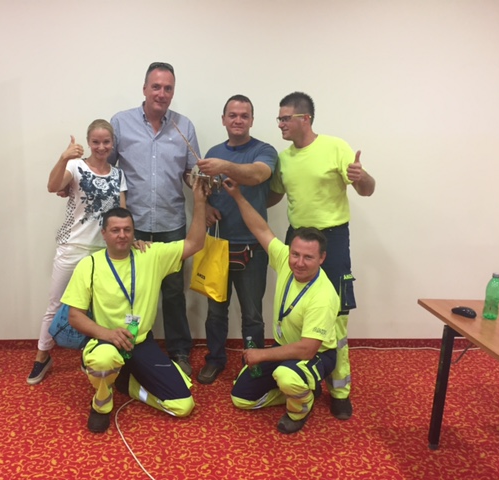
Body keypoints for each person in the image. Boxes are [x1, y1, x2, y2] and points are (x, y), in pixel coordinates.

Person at [61, 180, 209, 433]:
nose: (122, 235)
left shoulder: (150, 255)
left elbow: (195, 244)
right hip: (106, 341)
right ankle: (102, 401)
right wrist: (108, 334)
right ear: (104, 233)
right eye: (115, 230)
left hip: (140, 343)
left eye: (127, 230)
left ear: (133, 232)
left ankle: (124, 383)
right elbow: (75, 316)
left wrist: (200, 200)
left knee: (183, 405)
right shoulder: (90, 264)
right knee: (103, 360)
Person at [268, 92, 376, 420]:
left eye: (285, 118)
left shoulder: (336, 147)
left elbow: (367, 189)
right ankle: (303, 377)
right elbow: (273, 196)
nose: (280, 124)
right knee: (295, 312)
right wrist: (235, 201)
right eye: (279, 118)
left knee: (337, 316)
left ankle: (340, 391)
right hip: (297, 239)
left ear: (306, 119)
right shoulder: (284, 159)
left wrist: (361, 178)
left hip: (333, 241)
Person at [224, 179, 339, 434]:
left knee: (288, 377)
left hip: (316, 355)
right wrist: (238, 196)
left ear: (322, 258)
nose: (299, 262)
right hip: (285, 347)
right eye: (295, 254)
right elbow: (260, 229)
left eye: (308, 257)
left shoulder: (323, 296)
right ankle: (296, 391)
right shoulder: (286, 259)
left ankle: (300, 406)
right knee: (240, 398)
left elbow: (307, 348)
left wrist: (262, 355)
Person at [108, 62, 201, 376]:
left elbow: (190, 173)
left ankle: (179, 351)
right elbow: (105, 167)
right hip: (131, 225)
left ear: (173, 92)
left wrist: (204, 188)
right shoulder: (121, 123)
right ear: (145, 89)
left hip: (171, 223)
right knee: (131, 291)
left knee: (173, 292)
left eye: (168, 88)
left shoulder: (184, 126)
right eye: (156, 86)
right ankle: (131, 349)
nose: (162, 93)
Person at [26, 119, 127, 385]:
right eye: (96, 142)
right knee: (57, 304)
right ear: (89, 142)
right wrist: (63, 157)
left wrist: (130, 239)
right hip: (73, 246)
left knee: (96, 310)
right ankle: (42, 357)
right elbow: (52, 186)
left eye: (106, 142)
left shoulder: (118, 174)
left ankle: (90, 355)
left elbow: (122, 213)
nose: (101, 147)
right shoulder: (75, 166)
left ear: (112, 143)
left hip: (103, 251)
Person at [194, 94, 277, 384]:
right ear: (223, 119)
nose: (238, 120)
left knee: (252, 314)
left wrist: (224, 166)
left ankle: (253, 364)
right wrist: (206, 207)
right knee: (215, 311)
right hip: (217, 244)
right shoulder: (214, 151)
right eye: (233, 115)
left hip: (253, 247)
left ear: (252, 120)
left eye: (244, 115)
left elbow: (257, 175)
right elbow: (203, 186)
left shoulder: (264, 150)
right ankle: (215, 359)